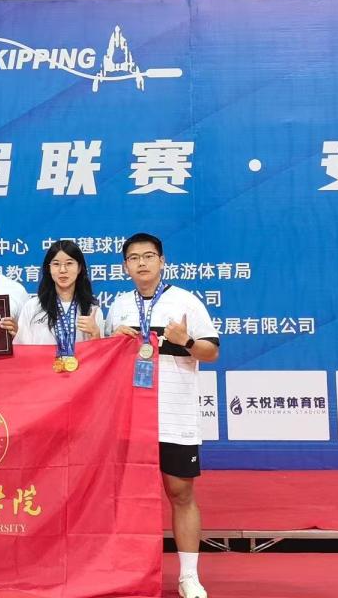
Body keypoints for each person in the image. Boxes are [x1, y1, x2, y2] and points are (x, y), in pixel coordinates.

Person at [104, 233, 220, 598]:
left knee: (180, 493)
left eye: (148, 256)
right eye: (134, 257)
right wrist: (111, 339)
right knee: (125, 498)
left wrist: (186, 341)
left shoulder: (186, 301)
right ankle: (125, 573)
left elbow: (211, 352)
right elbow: (102, 360)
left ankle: (189, 577)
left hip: (174, 416)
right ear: (125, 266)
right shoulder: (119, 306)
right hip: (129, 417)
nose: (141, 263)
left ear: (162, 261)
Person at [15, 240, 103, 369]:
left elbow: (99, 361)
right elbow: (22, 351)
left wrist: (95, 334)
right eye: (56, 264)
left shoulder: (92, 310)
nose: (63, 270)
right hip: (41, 377)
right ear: (49, 268)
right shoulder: (32, 307)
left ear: (79, 268)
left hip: (82, 378)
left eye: (69, 263)